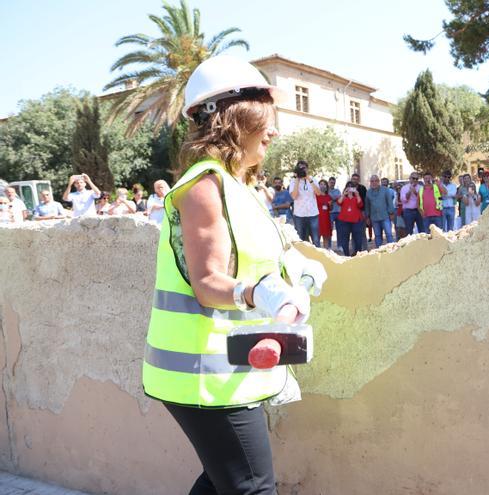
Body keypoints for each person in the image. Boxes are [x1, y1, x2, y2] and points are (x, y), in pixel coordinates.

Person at [142, 55, 322, 495]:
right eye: (267, 120)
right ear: (235, 120)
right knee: (252, 487)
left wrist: (297, 269)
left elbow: (260, 254)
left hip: (222, 368)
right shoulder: (204, 187)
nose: (274, 132)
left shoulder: (238, 187)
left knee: (222, 482)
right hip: (206, 374)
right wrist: (257, 292)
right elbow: (207, 284)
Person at [289, 160, 323, 245]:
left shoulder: (313, 179)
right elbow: (294, 196)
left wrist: (308, 179)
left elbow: (319, 193)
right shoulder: (293, 181)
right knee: (300, 240)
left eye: (303, 168)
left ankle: (317, 257)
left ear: (307, 169)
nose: (302, 170)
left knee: (316, 239)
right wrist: (297, 180)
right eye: (300, 169)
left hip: (313, 213)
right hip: (299, 214)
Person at [364, 174, 395, 248]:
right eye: (372, 181)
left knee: (389, 234)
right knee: (377, 236)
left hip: (385, 217)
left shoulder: (385, 190)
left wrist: (391, 213)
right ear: (370, 182)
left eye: (376, 181)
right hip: (374, 218)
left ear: (379, 182)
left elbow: (389, 202)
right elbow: (367, 206)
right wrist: (367, 217)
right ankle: (379, 251)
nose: (374, 183)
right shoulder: (368, 192)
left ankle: (392, 251)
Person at [336, 181, 364, 256]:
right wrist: (343, 194)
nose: (350, 188)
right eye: (348, 186)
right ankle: (347, 255)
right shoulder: (343, 197)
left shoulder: (356, 197)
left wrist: (357, 194)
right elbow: (338, 202)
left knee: (358, 240)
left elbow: (360, 205)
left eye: (352, 187)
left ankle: (357, 254)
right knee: (345, 240)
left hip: (356, 221)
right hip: (344, 221)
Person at [316, 179, 333, 249]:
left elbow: (331, 209)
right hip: (317, 218)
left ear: (326, 187)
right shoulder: (315, 196)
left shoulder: (329, 197)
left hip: (326, 218)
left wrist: (330, 205)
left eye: (324, 184)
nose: (323, 186)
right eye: (321, 184)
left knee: (326, 237)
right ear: (318, 186)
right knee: (317, 237)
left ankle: (326, 252)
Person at [327, 177, 342, 248]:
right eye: (331, 182)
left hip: (338, 212)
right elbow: (328, 199)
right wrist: (334, 199)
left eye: (333, 183)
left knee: (339, 230)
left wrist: (332, 199)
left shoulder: (337, 190)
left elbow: (340, 198)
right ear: (328, 182)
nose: (332, 184)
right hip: (330, 213)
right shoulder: (326, 191)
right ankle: (329, 246)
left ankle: (339, 246)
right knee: (329, 230)